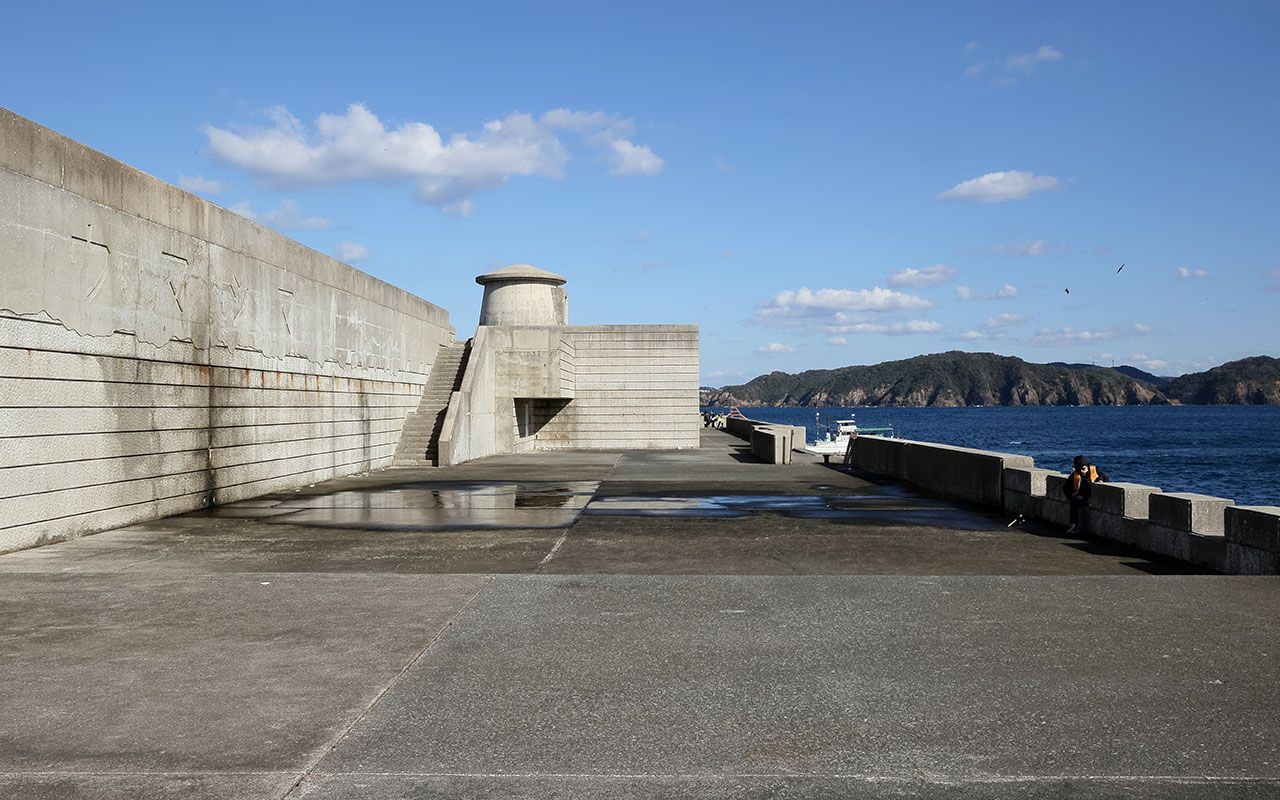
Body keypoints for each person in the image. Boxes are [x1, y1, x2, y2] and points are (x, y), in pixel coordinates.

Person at [1062, 455, 1108, 535]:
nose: (1082, 471)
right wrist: (1071, 497)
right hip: (1081, 497)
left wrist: (1100, 479)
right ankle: (1074, 525)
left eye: (1084, 468)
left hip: (1093, 497)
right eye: (1079, 469)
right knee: (1074, 503)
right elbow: (1066, 488)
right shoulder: (1074, 475)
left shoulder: (1094, 470)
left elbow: (1105, 477)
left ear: (1087, 466)